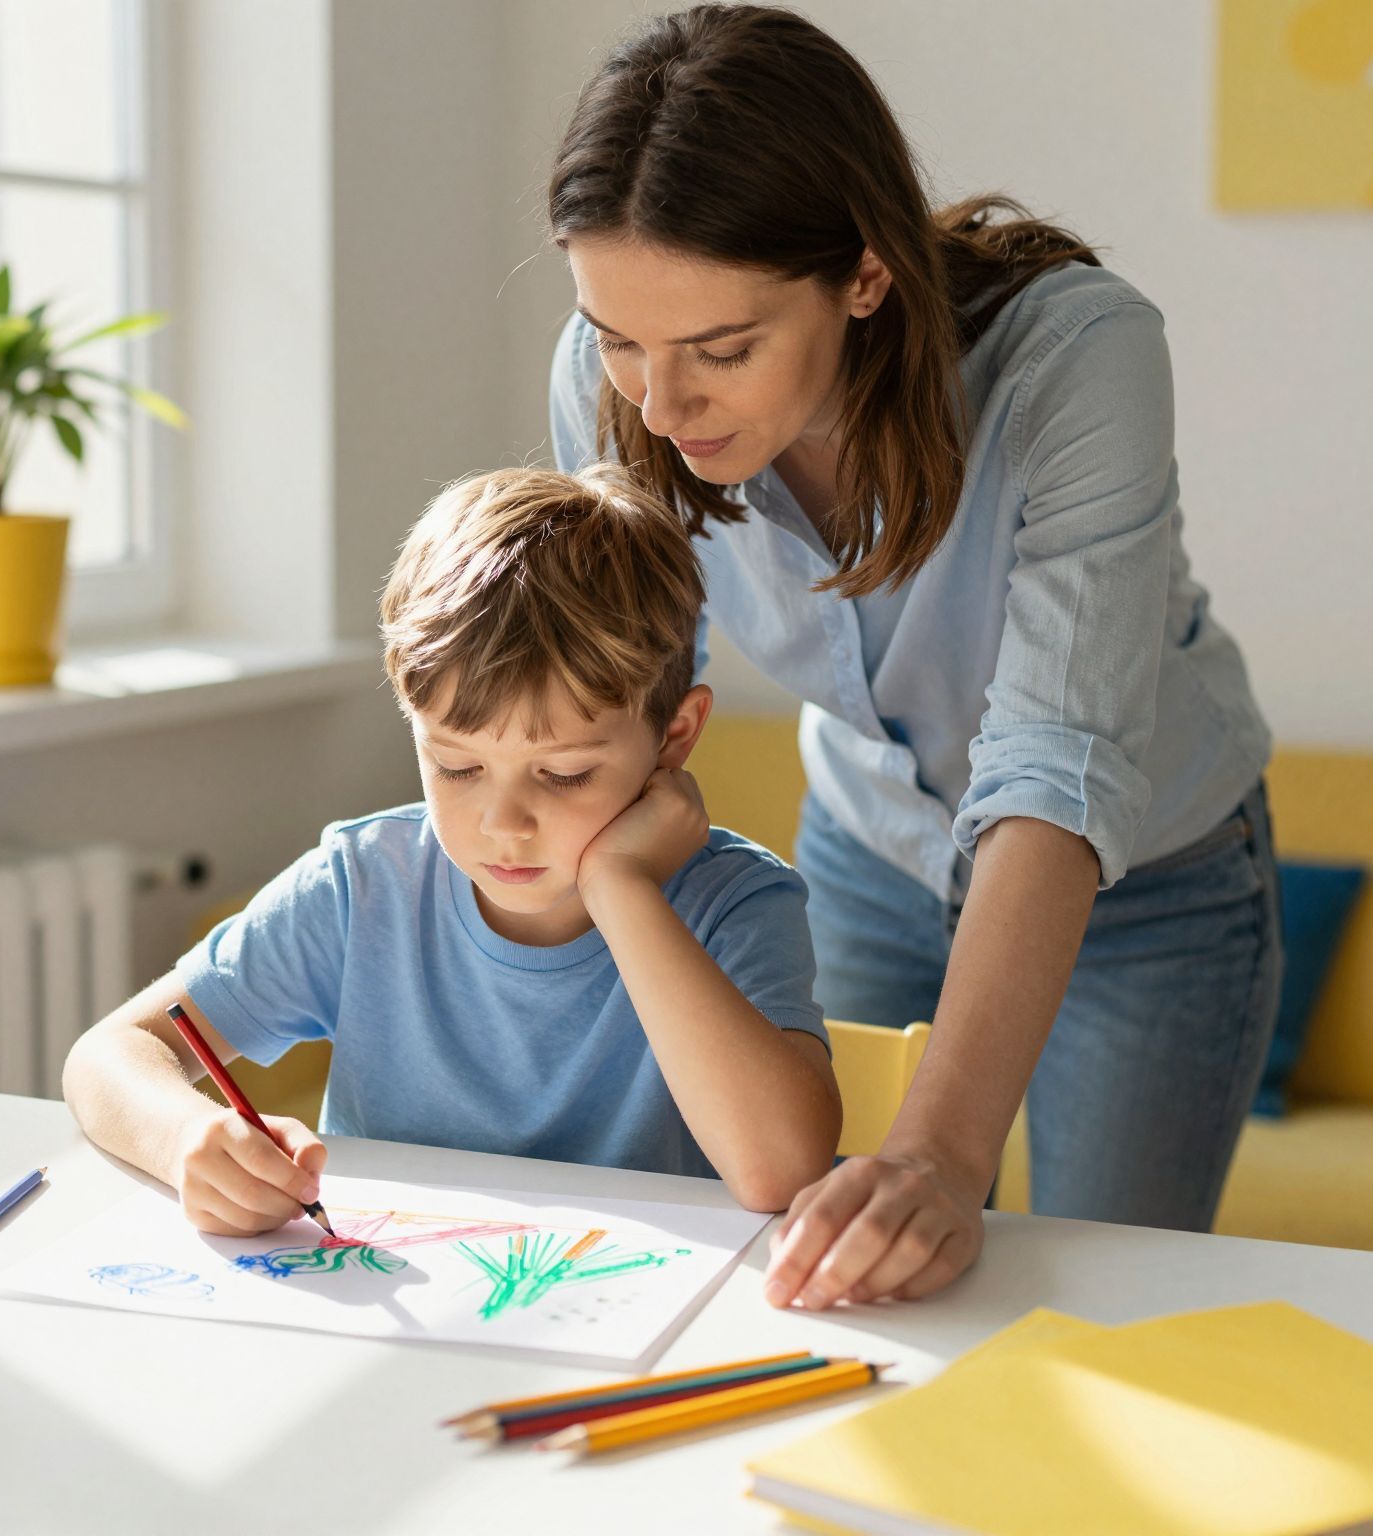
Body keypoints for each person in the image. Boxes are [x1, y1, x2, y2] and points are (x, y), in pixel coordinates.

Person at [545, 5, 1283, 1308]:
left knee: (1102, 1317)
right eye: (616, 337)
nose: (657, 407)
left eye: (721, 351)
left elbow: (1057, 760)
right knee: (837, 1295)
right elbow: (600, 709)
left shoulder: (1075, 357)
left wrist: (942, 1154)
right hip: (868, 855)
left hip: (1145, 886)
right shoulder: (614, 384)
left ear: (866, 274)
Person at [63, 465, 842, 1231]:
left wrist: (622, 888)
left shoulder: (736, 903)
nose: (504, 823)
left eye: (564, 774)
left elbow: (781, 1169)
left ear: (675, 736)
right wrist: (185, 1140)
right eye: (458, 765)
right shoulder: (362, 887)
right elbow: (107, 1056)